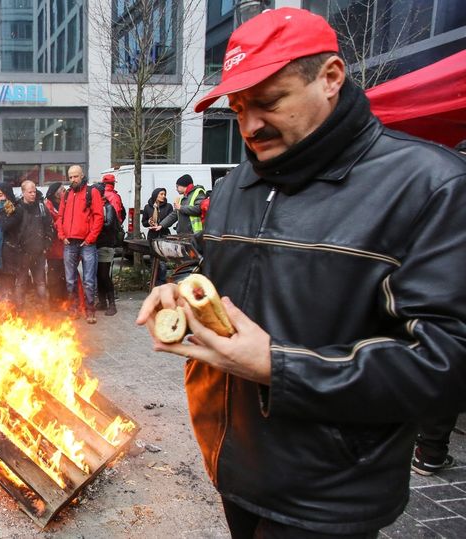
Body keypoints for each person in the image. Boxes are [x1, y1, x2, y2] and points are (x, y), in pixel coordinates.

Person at [136, 7, 466, 537]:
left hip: (330, 493)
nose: (249, 126)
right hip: (231, 467)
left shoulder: (430, 186)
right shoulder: (232, 189)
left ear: (331, 77)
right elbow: (224, 289)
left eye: (269, 102)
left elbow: (448, 361)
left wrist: (277, 365)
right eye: (238, 108)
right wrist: (182, 293)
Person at [410, 138, 466, 477]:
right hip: (445, 284)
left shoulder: (433, 177)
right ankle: (429, 450)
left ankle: (429, 449)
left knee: (441, 355)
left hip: (434, 283)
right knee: (446, 358)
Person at [56, 165, 104, 324]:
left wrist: (90, 238)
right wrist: (62, 235)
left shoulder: (92, 192)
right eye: (70, 177)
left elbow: (99, 217)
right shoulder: (67, 194)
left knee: (89, 280)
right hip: (70, 242)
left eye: (76, 176)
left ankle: (90, 310)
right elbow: (60, 216)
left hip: (86, 244)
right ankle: (74, 309)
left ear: (82, 176)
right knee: (70, 280)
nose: (73, 180)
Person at [16, 180, 54, 311]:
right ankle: (19, 312)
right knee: (20, 283)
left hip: (38, 253)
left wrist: (46, 245)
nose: (33, 194)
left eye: (34, 191)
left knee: (41, 283)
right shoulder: (17, 208)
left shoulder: (42, 207)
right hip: (22, 254)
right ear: (23, 192)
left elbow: (49, 227)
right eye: (30, 192)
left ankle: (42, 312)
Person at [93, 182, 120, 316]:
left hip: (106, 245)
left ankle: (112, 304)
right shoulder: (99, 206)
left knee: (104, 275)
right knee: (98, 275)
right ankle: (102, 302)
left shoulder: (108, 207)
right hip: (97, 244)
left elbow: (109, 224)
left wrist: (94, 224)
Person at [141, 187, 173, 286]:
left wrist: (161, 225)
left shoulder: (168, 207)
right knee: (153, 261)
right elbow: (144, 222)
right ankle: (155, 282)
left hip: (163, 236)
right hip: (152, 236)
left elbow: (170, 221)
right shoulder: (148, 207)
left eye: (164, 194)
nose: (163, 196)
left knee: (163, 263)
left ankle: (162, 283)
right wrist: (149, 222)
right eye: (161, 194)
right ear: (156, 195)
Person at [44, 182, 67, 310]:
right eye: (63, 190)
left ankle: (64, 301)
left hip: (64, 247)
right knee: (54, 276)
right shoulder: (48, 207)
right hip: (54, 248)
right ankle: (54, 302)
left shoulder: (66, 204)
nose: (65, 192)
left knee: (64, 275)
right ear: (56, 194)